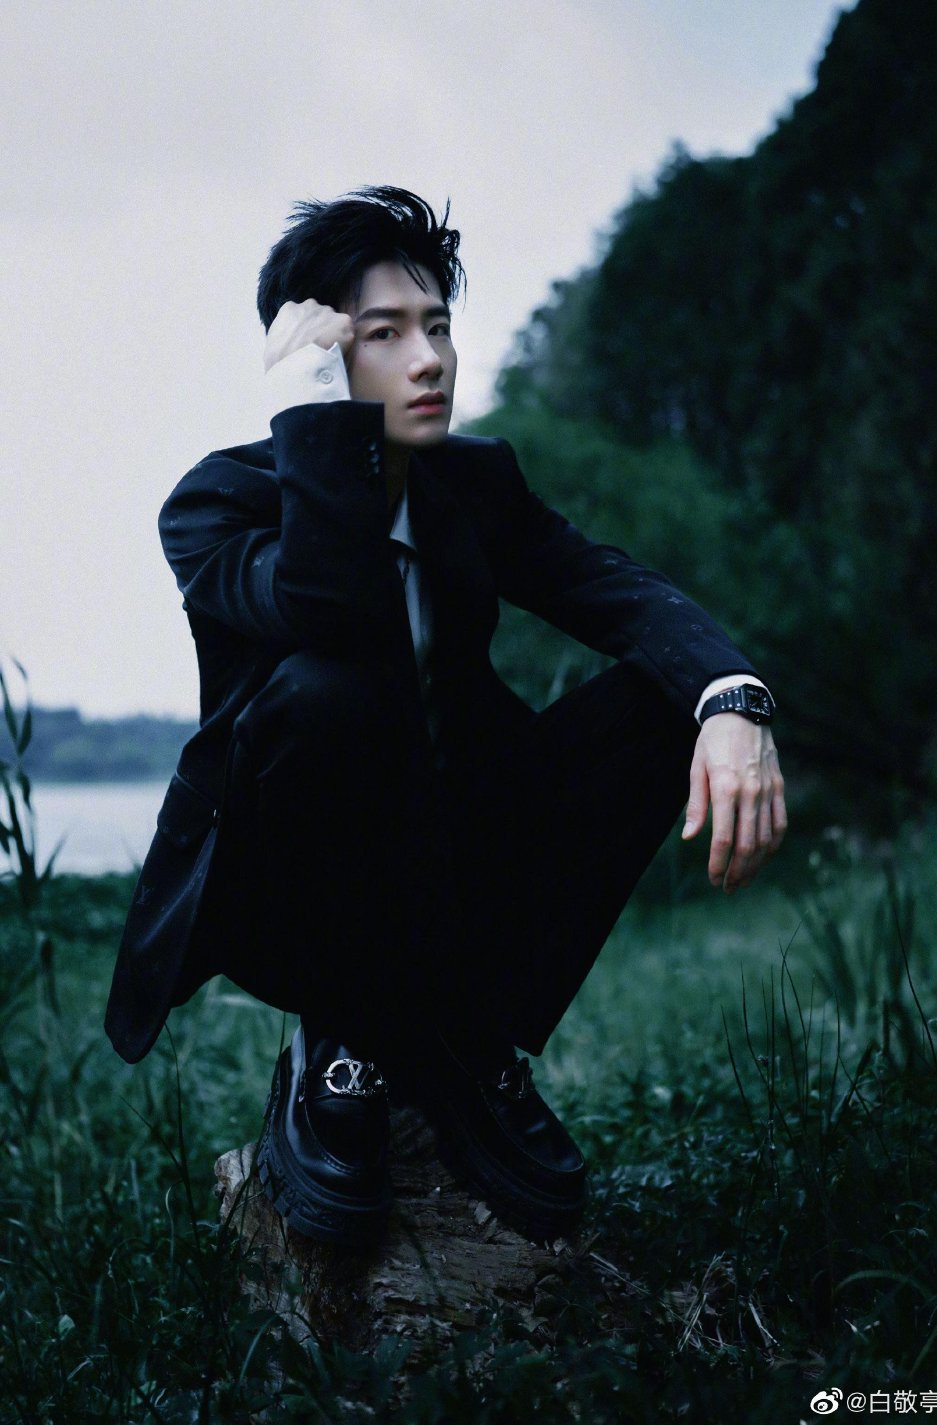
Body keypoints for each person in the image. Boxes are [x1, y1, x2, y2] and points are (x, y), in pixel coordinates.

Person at [105, 186, 786, 1246]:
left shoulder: (475, 486)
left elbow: (611, 589)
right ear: (316, 355)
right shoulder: (215, 507)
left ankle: (466, 1039)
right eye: (384, 334)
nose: (429, 360)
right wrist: (316, 418)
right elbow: (329, 608)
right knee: (327, 688)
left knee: (666, 698)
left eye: (438, 326)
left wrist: (730, 700)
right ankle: (342, 1042)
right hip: (296, 894)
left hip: (464, 854)